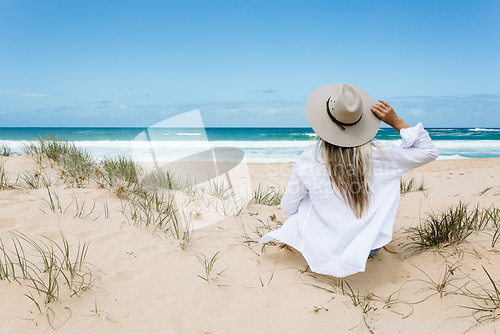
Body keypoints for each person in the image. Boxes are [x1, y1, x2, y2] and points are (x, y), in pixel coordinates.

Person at [259, 83, 439, 277]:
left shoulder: (310, 158)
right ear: (361, 119)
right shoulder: (385, 155)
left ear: (324, 118)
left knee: (308, 197)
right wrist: (396, 121)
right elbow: (428, 151)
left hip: (317, 247)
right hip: (368, 249)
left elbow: (288, 208)